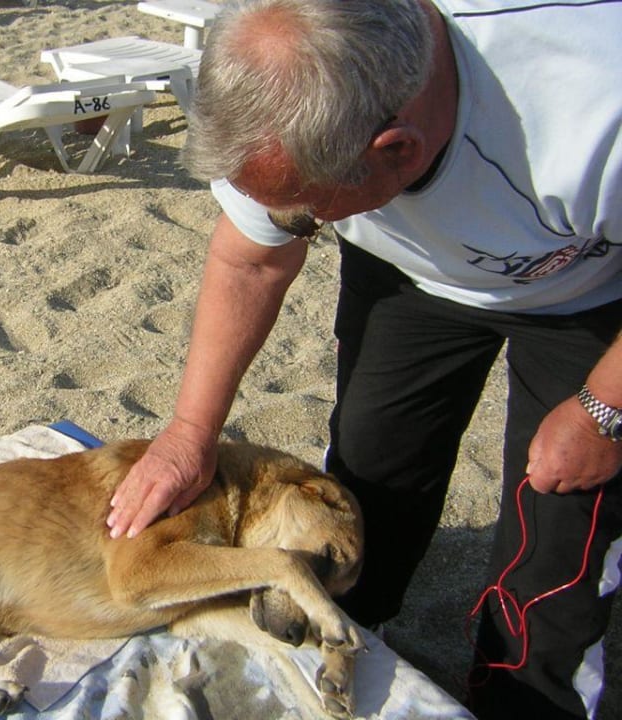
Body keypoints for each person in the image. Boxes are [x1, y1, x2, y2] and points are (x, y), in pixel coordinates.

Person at [104, 0, 622, 717]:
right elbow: (251, 262)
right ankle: (357, 631)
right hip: (410, 277)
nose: (290, 225)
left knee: (561, 525)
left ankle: (528, 700)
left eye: (304, 215)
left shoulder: (598, 98)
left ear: (397, 149)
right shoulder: (292, 81)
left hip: (593, 291)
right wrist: (190, 433)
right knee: (372, 469)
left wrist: (603, 410)